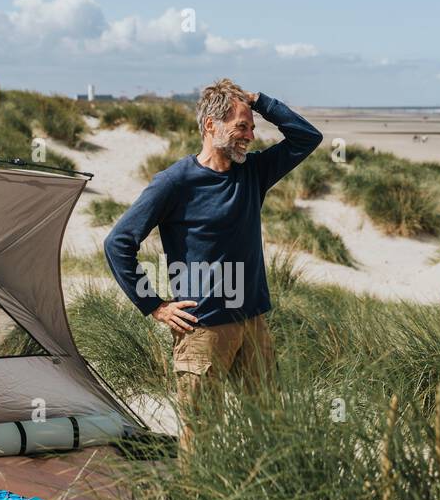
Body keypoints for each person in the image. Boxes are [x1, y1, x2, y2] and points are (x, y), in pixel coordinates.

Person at [103, 79, 322, 454]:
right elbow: (118, 243)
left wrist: (258, 101)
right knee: (201, 437)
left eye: (252, 127)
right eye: (242, 126)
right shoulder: (174, 182)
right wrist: (154, 305)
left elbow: (307, 137)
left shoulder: (253, 173)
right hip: (202, 329)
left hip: (253, 323)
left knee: (272, 426)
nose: (250, 136)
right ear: (210, 126)